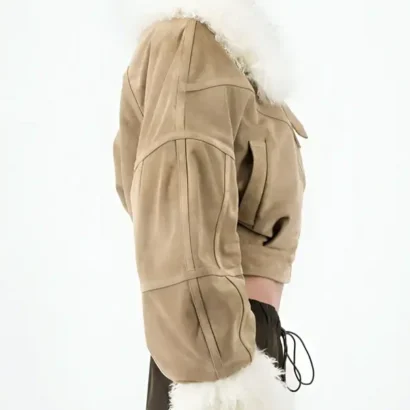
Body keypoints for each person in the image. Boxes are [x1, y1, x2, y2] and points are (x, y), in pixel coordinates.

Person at [113, 0, 314, 408]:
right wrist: (221, 373)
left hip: (241, 345)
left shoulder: (233, 53)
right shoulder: (190, 42)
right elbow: (182, 222)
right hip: (219, 362)